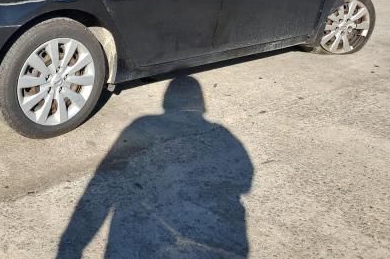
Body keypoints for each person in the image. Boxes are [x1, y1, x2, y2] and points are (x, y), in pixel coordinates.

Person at [57, 76, 253, 258]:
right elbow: (245, 182)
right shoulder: (224, 136)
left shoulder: (142, 124)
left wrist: (70, 247)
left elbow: (100, 184)